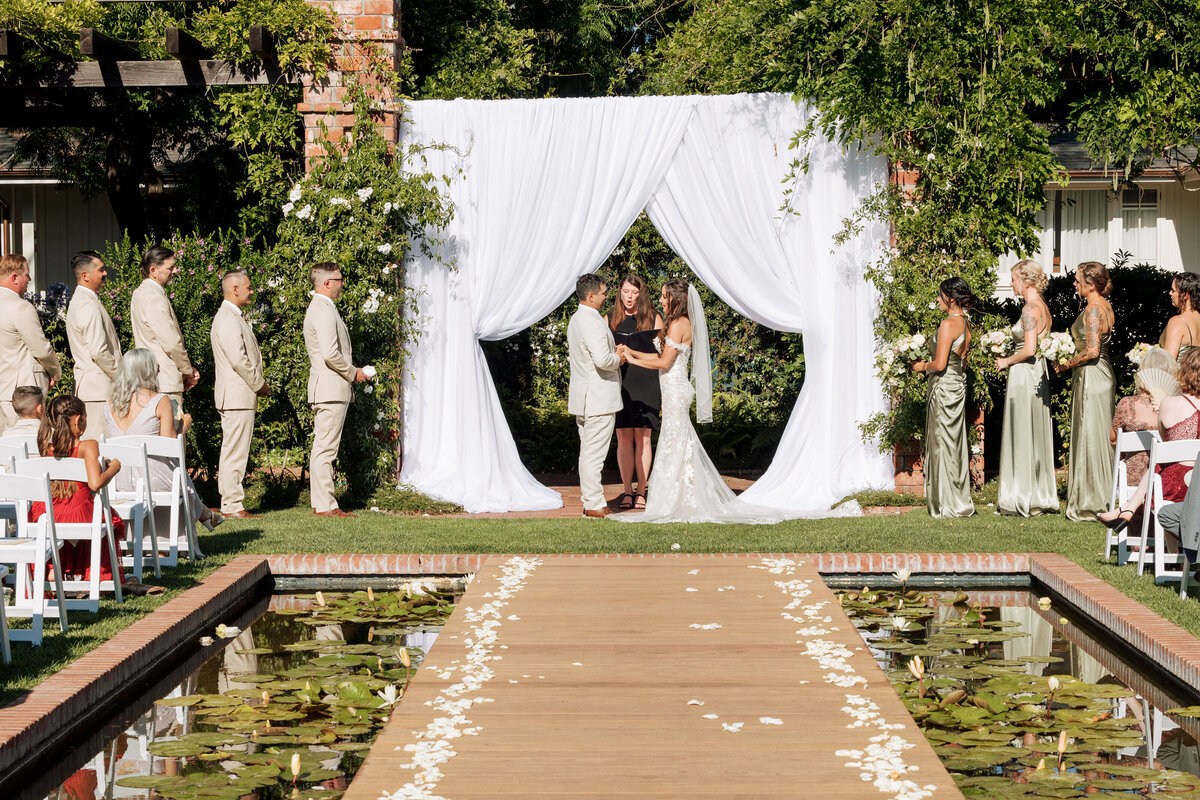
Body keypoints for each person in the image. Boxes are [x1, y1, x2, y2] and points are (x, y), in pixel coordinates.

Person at [612, 278, 783, 524]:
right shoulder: (677, 323)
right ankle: (681, 493)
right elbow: (661, 354)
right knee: (678, 440)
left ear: (675, 298)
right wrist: (632, 351)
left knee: (676, 439)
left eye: (664, 296)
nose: (660, 300)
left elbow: (663, 363)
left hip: (675, 389)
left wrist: (631, 359)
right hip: (672, 388)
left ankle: (679, 496)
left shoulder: (679, 324)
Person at [104, 349, 222, 531]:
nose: (158, 372)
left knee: (177, 472)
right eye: (156, 367)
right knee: (177, 470)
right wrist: (184, 425)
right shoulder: (160, 400)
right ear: (148, 371)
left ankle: (205, 514)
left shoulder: (110, 402)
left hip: (118, 479)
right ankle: (203, 514)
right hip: (151, 479)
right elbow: (169, 446)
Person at [29, 395, 134, 590]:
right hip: (78, 511)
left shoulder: (46, 446)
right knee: (108, 518)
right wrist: (113, 468)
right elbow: (95, 484)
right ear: (78, 419)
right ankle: (95, 574)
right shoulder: (87, 446)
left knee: (61, 528)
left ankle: (54, 567)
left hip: (46, 511)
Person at [303, 262, 367, 518]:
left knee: (324, 447)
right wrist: (354, 373)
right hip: (330, 388)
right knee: (326, 448)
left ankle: (323, 503)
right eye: (339, 279)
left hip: (329, 388)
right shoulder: (323, 309)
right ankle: (326, 504)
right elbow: (331, 354)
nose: (342, 283)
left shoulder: (324, 308)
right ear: (327, 283)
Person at [994, 260, 1057, 516]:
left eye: (1013, 279)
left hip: (1025, 375)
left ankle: (1022, 495)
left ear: (1026, 281)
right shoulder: (1043, 306)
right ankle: (1036, 492)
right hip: (1037, 374)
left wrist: (1005, 361)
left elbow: (1029, 349)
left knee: (1022, 430)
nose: (1010, 283)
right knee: (1032, 431)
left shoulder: (1030, 309)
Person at [912, 277, 977, 519]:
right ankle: (957, 498)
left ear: (950, 299)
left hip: (943, 388)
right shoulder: (966, 323)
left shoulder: (949, 324)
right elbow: (962, 364)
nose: (938, 300)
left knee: (941, 442)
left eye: (940, 296)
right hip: (957, 386)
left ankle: (946, 503)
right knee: (954, 442)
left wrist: (921, 366)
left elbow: (939, 364)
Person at [1056, 261, 1115, 521]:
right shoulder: (1105, 305)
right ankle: (1101, 494)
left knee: (1092, 433)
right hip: (1100, 373)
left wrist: (1064, 365)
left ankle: (1092, 501)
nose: (1074, 283)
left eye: (1078, 280)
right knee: (1097, 433)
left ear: (1091, 285)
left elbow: (1092, 351)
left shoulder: (1093, 310)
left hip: (1092, 376)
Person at [1096, 347, 1176, 535]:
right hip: (1167, 476)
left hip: (1133, 477)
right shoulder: (1177, 406)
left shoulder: (1127, 404)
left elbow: (1113, 439)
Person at [210, 271, 269, 519]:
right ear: (234, 289)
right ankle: (232, 504)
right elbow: (239, 360)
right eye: (248, 287)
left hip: (236, 395)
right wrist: (260, 384)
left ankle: (231, 501)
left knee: (234, 449)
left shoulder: (233, 317)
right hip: (236, 394)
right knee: (235, 450)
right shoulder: (228, 318)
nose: (251, 291)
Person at [567, 273, 622, 518]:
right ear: (591, 296)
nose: (606, 295)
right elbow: (602, 361)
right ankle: (593, 503)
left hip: (584, 396)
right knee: (594, 455)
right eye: (603, 292)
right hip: (598, 398)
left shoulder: (577, 319)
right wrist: (619, 357)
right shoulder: (592, 321)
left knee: (588, 452)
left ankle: (591, 500)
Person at [607, 274, 663, 511]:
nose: (629, 297)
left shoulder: (653, 316)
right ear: (620, 292)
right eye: (626, 292)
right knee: (623, 438)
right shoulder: (609, 318)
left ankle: (641, 489)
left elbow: (663, 354)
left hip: (647, 381)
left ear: (641, 294)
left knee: (643, 438)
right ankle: (627, 490)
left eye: (634, 293)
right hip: (621, 382)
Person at [131, 245, 198, 419]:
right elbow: (170, 341)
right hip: (165, 380)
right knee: (172, 437)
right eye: (170, 268)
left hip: (149, 376)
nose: (174, 271)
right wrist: (187, 370)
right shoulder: (153, 296)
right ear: (153, 270)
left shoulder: (139, 293)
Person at [0, 254, 60, 434]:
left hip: (3, 390)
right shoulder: (20, 307)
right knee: (30, 450)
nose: (29, 279)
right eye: (26, 274)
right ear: (14, 278)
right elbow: (41, 349)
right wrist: (55, 372)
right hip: (23, 394)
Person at [66, 251, 122, 440]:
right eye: (101, 269)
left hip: (95, 389)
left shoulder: (86, 300)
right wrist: (121, 376)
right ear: (85, 276)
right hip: (97, 391)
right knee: (99, 450)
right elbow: (98, 351)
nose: (105, 273)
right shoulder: (86, 304)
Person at [1160, 272, 1200, 363]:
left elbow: (1168, 363)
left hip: (1180, 376)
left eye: (1173, 291)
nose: (1170, 293)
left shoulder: (1177, 322)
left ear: (1185, 295)